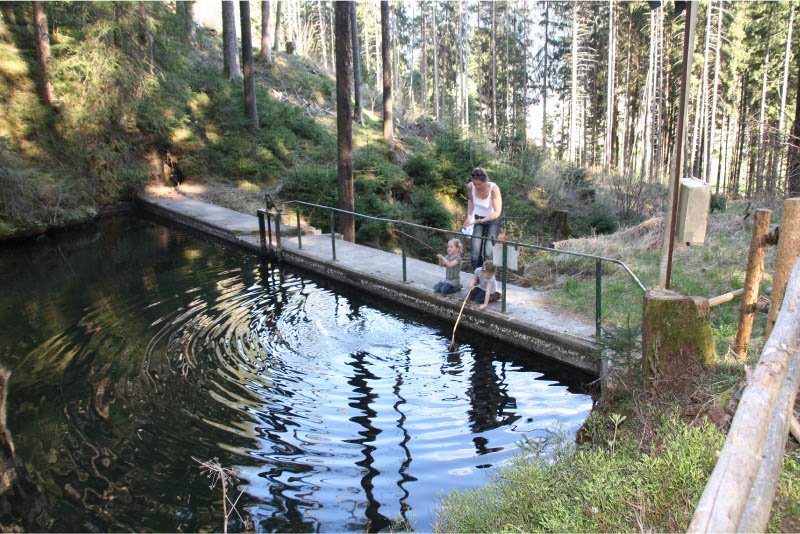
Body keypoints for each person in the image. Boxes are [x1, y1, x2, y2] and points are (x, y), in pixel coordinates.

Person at [463, 167, 503, 269]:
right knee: (475, 252)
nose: (477, 186)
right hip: (478, 219)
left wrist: (483, 220)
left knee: (488, 251)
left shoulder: (493, 189)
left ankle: (488, 276)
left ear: (485, 181)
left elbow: (497, 212)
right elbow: (471, 201)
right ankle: (478, 275)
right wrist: (469, 216)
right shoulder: (470, 186)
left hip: (493, 220)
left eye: (479, 184)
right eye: (475, 184)